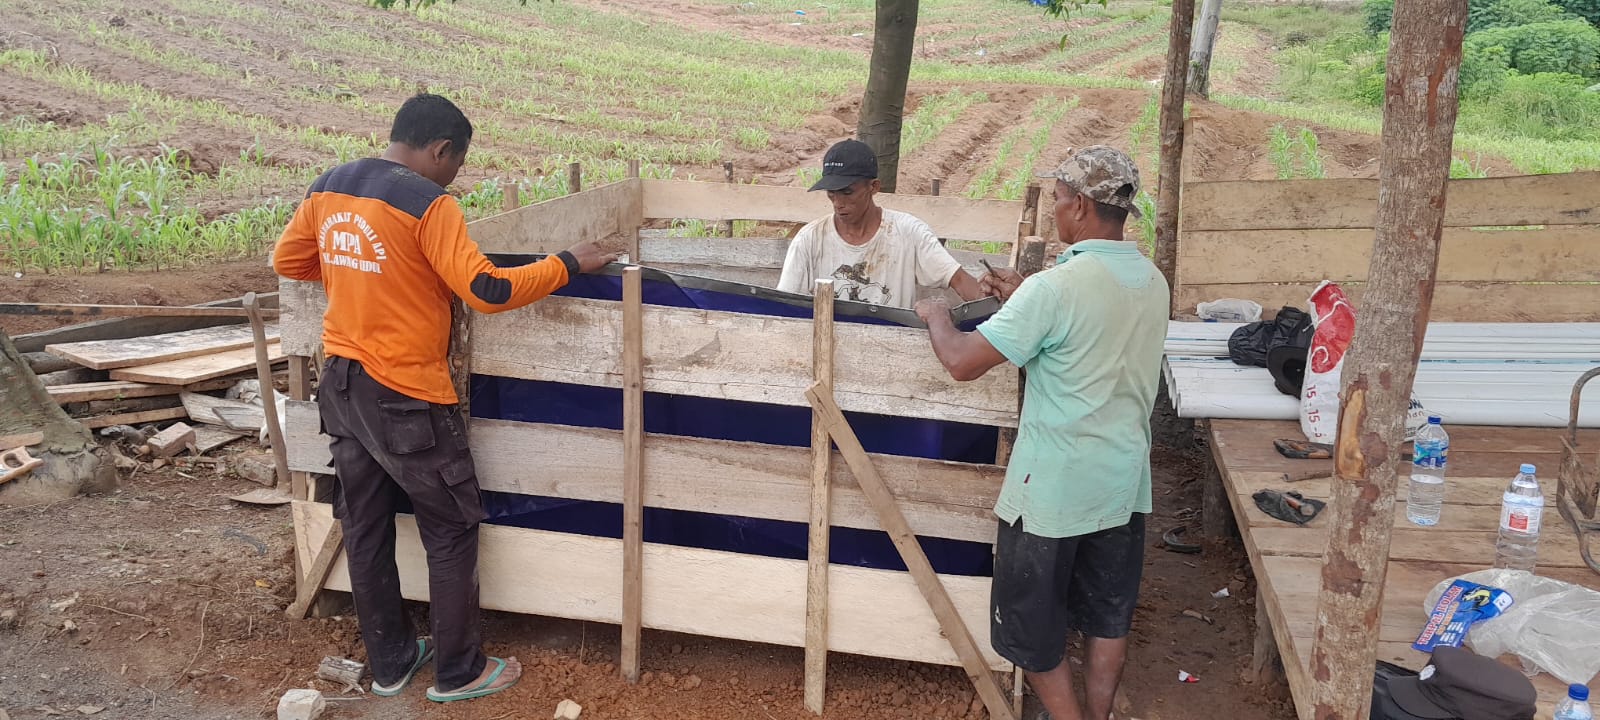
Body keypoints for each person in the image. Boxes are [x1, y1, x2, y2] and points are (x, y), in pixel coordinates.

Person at [272, 93, 618, 703]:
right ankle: (460, 671)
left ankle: (392, 661)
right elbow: (486, 289)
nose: (456, 174)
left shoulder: (331, 185)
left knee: (364, 525)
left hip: (343, 386)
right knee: (452, 526)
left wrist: (368, 278)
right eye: (458, 162)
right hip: (405, 394)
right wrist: (568, 262)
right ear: (440, 149)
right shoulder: (429, 204)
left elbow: (290, 261)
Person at [912, 146, 1169, 720]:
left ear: (1080, 206)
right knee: (1106, 617)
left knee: (1031, 627)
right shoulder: (1152, 281)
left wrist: (936, 315)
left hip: (1052, 491)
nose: (1054, 209)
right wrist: (1024, 292)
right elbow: (1088, 329)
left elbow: (961, 362)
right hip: (1123, 484)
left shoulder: (1053, 291)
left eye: (1057, 198)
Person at [776, 139, 984, 307]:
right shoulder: (809, 239)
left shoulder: (908, 232)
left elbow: (958, 279)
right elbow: (785, 306)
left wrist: (997, 314)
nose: (838, 203)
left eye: (847, 192)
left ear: (874, 187)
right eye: (831, 193)